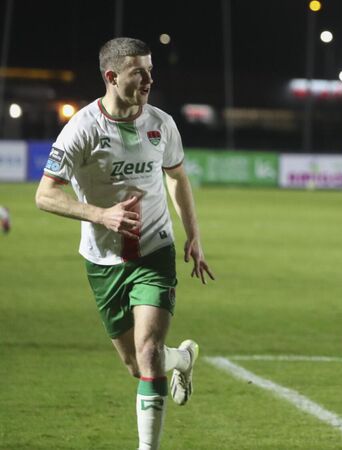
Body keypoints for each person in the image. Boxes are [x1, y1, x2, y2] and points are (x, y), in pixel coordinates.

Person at [34, 37, 214, 450]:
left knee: (148, 352)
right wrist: (101, 215)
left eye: (151, 70)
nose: (149, 79)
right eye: (139, 72)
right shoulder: (82, 129)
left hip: (155, 250)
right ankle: (183, 358)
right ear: (112, 77)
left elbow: (176, 177)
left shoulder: (161, 123)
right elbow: (44, 195)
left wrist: (194, 235)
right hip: (103, 259)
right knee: (137, 364)